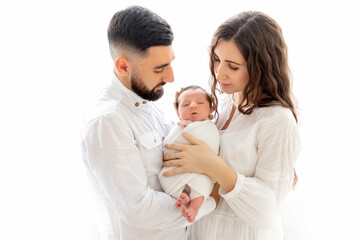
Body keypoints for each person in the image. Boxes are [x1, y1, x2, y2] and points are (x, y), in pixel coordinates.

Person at [162, 11, 301, 240]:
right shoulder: (222, 104)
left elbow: (266, 212)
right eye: (217, 59)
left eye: (233, 66)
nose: (220, 73)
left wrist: (214, 166)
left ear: (260, 67)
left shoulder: (277, 120)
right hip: (200, 231)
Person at [81, 6, 215, 240]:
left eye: (170, 63)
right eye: (160, 68)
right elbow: (138, 209)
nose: (171, 77)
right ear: (123, 66)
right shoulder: (108, 122)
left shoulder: (146, 100)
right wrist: (211, 197)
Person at [158, 85, 220, 223]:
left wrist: (191, 129)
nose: (193, 106)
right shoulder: (177, 126)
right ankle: (182, 195)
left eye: (200, 102)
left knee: (202, 185)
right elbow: (168, 145)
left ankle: (194, 208)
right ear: (177, 111)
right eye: (186, 104)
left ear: (211, 108)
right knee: (164, 177)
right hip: (176, 167)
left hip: (201, 171)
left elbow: (211, 147)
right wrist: (179, 128)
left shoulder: (209, 127)